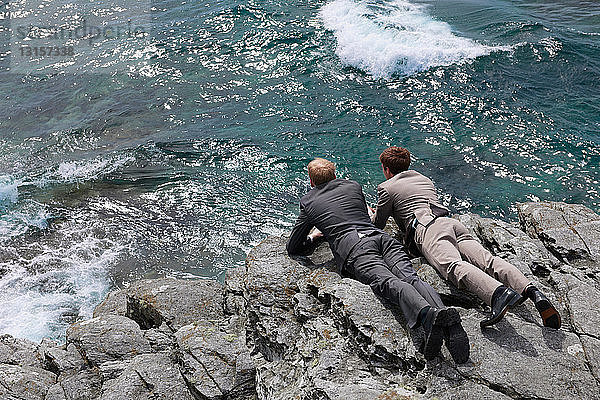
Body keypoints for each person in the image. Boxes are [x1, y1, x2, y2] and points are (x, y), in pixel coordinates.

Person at [287, 158, 470, 363]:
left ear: (312, 182)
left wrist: (314, 237)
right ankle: (446, 317)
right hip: (382, 238)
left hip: (355, 247)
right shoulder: (352, 186)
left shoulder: (309, 201)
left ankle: (426, 315)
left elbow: (293, 246)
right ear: (335, 175)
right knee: (411, 278)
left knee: (389, 282)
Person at [371, 146, 561, 329]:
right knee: (488, 260)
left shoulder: (387, 187)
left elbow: (378, 223)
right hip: (451, 224)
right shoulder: (423, 179)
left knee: (453, 266)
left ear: (386, 169)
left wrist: (371, 212)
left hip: (429, 229)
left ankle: (498, 295)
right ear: (407, 165)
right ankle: (532, 291)